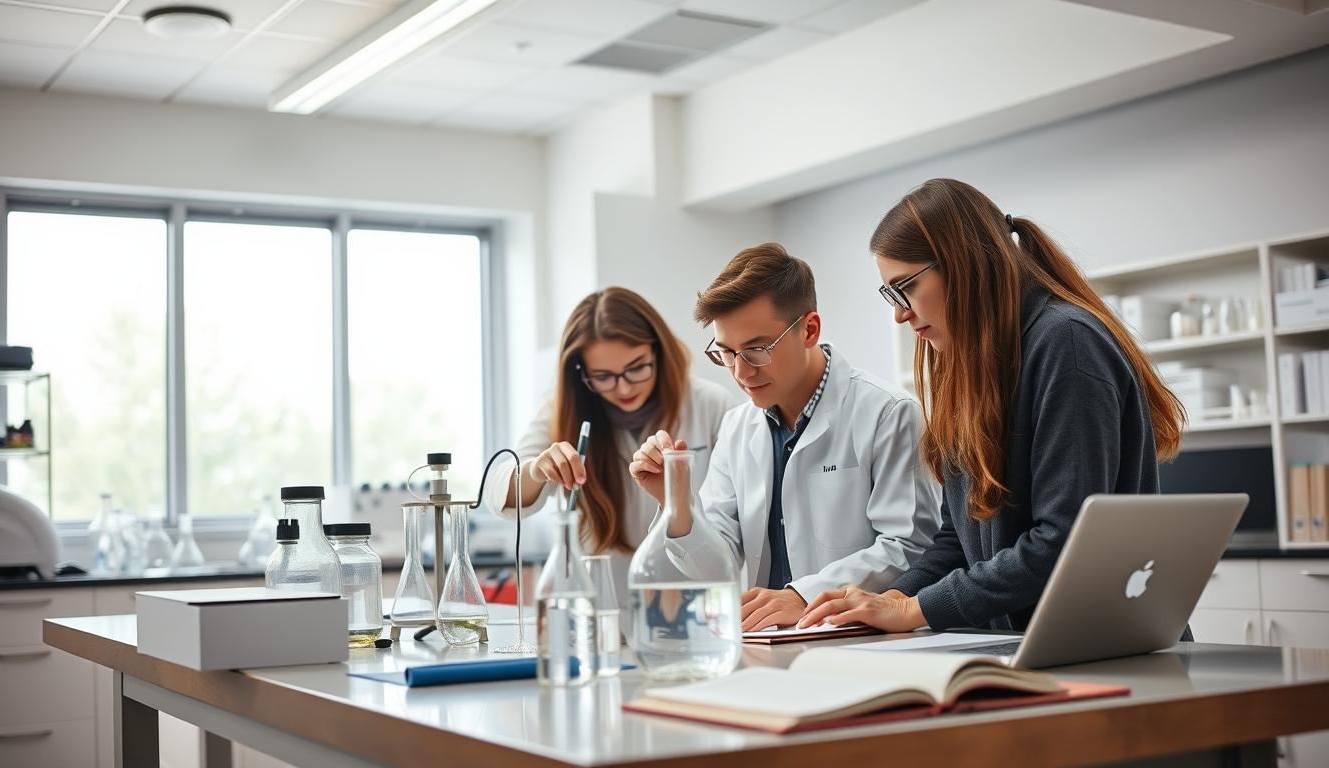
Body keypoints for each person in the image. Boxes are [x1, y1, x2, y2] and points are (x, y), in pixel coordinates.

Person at [798, 178, 1186, 635]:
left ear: (964, 264)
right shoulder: (969, 365)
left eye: (905, 287)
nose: (900, 314)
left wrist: (916, 610)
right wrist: (890, 599)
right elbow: (957, 541)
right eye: (891, 295)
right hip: (1026, 647)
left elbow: (1063, 541)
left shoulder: (1067, 344)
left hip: (1103, 647)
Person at [629, 243, 941, 632]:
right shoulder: (736, 427)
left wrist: (803, 595)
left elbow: (911, 547)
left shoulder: (888, 413)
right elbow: (715, 569)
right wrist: (675, 503)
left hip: (859, 642)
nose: (741, 372)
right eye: (726, 352)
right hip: (767, 643)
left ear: (809, 329)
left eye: (757, 349)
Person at [485, 287, 740, 609]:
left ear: (658, 351)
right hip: (601, 612)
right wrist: (536, 469)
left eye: (636, 368)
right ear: (581, 374)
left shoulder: (710, 404)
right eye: (603, 376)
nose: (622, 387)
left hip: (693, 609)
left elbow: (733, 526)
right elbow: (501, 495)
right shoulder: (563, 410)